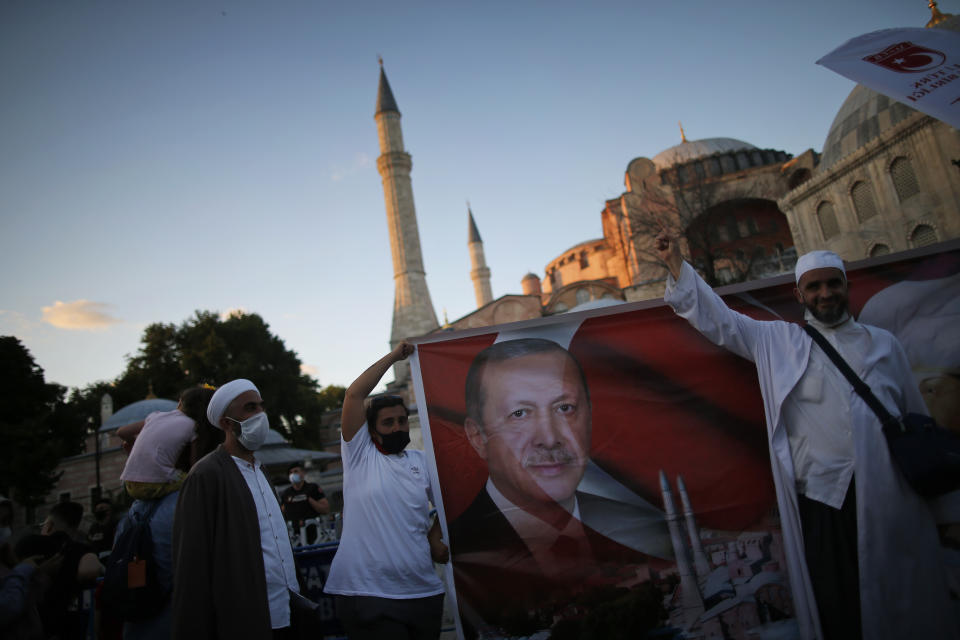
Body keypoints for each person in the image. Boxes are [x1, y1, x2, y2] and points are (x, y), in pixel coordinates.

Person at [656, 232, 956, 640]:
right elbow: (720, 321)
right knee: (841, 608)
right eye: (814, 286)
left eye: (833, 283)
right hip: (824, 504)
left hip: (891, 499)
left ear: (846, 287)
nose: (825, 293)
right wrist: (677, 265)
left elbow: (917, 420)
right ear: (799, 294)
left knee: (903, 603)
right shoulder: (779, 342)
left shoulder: (884, 345)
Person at [449, 338, 671, 636]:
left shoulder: (645, 528)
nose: (550, 438)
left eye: (565, 408)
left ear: (590, 416)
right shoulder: (460, 549)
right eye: (520, 414)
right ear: (478, 437)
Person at [323, 342, 449, 640]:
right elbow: (354, 395)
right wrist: (395, 357)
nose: (397, 428)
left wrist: (434, 533)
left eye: (402, 421)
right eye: (388, 422)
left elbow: (451, 501)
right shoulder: (359, 454)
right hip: (368, 595)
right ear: (371, 429)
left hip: (423, 592)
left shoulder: (420, 461)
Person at [171, 379, 300, 639]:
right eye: (249, 408)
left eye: (261, 407)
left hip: (284, 613)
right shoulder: (206, 475)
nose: (260, 415)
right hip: (245, 621)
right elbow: (191, 565)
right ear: (226, 423)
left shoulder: (260, 469)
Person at [111, 385, 218, 640]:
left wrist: (143, 448)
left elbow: (122, 433)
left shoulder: (132, 516)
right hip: (174, 620)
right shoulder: (184, 505)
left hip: (138, 622)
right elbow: (195, 468)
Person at [280, 463, 329, 545]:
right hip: (294, 535)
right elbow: (281, 514)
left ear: (303, 473)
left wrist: (309, 500)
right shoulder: (286, 493)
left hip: (314, 533)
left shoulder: (313, 488)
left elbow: (326, 509)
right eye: (290, 473)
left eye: (296, 471)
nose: (293, 474)